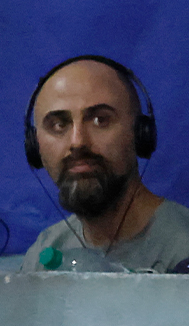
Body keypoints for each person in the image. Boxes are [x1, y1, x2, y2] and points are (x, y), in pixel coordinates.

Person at [20, 55, 189, 273]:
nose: (77, 142)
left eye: (100, 120)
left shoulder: (182, 247)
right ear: (35, 147)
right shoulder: (43, 255)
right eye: (59, 125)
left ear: (139, 134)